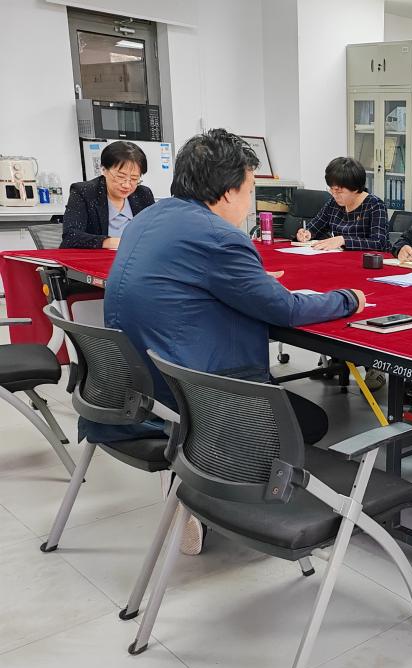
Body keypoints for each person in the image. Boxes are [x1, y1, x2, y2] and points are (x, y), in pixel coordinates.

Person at [101, 128, 366, 554]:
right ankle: (209, 488)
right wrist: (347, 299)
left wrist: (248, 281)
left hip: (138, 383)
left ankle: (197, 483)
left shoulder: (150, 217)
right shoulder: (220, 237)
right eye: (249, 188)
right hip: (193, 394)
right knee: (311, 423)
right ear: (227, 192)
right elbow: (287, 310)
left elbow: (188, 279)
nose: (250, 199)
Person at [61, 141, 155, 249]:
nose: (126, 185)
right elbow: (70, 237)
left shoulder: (143, 194)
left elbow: (155, 233)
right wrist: (112, 242)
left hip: (135, 257)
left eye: (134, 179)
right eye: (120, 177)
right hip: (96, 258)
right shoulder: (84, 192)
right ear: (104, 170)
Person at [294, 157, 389, 251]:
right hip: (340, 257)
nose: (334, 195)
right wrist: (307, 233)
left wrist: (343, 240)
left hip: (366, 259)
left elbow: (379, 243)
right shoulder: (333, 204)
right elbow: (315, 227)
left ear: (355, 188)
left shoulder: (375, 205)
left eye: (338, 191)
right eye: (331, 189)